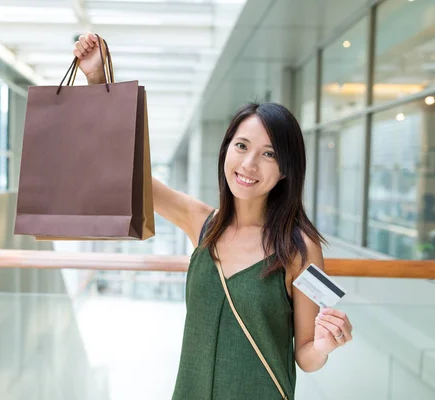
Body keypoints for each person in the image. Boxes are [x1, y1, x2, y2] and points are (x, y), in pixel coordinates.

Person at [73, 32, 353, 399]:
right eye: (242, 146)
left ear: (286, 169)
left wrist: (324, 344)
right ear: (226, 152)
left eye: (269, 154)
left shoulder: (300, 248)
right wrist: (97, 81)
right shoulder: (201, 223)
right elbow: (124, 168)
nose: (249, 164)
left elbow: (306, 355)